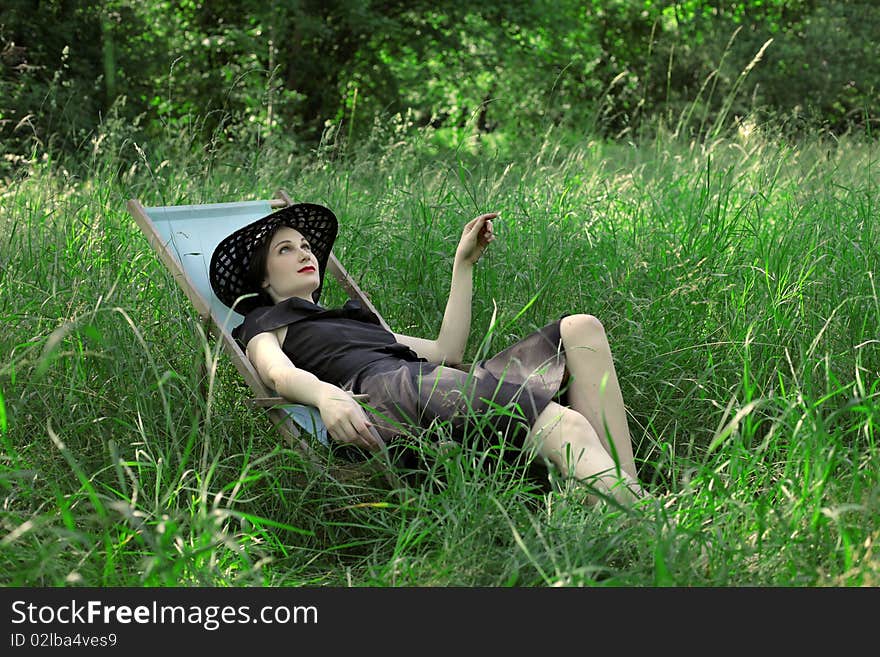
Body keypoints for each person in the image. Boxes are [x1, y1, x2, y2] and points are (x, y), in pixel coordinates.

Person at [209, 203, 645, 504]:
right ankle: (651, 524)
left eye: (305, 245)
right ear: (262, 280)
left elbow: (445, 351)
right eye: (286, 250)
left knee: (581, 329)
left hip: (423, 381)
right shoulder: (264, 324)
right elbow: (277, 375)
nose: (305, 252)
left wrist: (463, 264)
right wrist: (324, 396)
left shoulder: (349, 322)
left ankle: (625, 495)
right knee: (564, 424)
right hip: (390, 395)